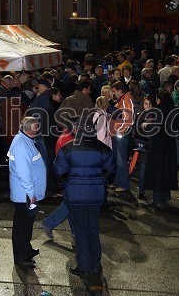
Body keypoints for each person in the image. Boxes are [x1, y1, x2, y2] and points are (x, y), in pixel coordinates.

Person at [54, 115, 115, 276]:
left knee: (80, 230)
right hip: (96, 195)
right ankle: (95, 265)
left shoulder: (67, 148)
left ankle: (83, 266)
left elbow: (58, 171)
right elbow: (111, 170)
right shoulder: (103, 148)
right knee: (93, 228)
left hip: (74, 195)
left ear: (77, 129)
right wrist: (101, 181)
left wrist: (66, 184)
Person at [8, 117, 47, 267]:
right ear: (32, 129)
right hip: (25, 195)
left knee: (27, 224)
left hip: (27, 194)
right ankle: (21, 257)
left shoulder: (24, 141)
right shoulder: (22, 145)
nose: (38, 129)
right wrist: (31, 195)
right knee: (21, 226)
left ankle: (27, 249)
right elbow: (23, 173)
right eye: (37, 127)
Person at [142, 90, 179, 208]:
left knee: (157, 172)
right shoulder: (174, 111)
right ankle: (165, 198)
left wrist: (146, 125)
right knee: (166, 171)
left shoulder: (157, 112)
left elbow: (154, 127)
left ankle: (157, 199)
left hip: (157, 146)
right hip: (170, 146)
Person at [109, 81, 134, 197]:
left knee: (120, 160)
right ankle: (117, 182)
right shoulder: (123, 99)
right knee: (117, 158)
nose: (114, 94)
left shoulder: (126, 99)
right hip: (118, 134)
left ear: (120, 90)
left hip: (121, 135)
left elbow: (129, 119)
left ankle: (123, 184)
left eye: (114, 91)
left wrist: (119, 130)